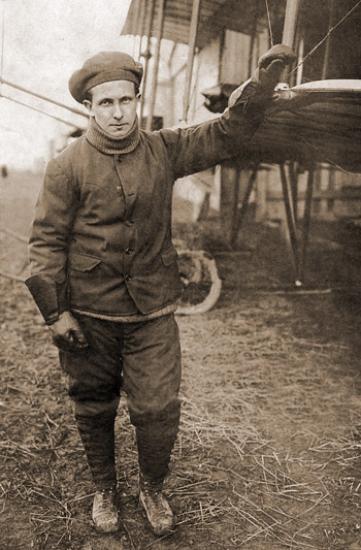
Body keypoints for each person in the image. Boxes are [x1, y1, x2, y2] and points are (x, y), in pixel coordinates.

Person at [25, 45, 296, 536]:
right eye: (105, 103)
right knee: (92, 402)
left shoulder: (162, 149)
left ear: (137, 100)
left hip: (152, 311)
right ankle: (104, 488)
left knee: (157, 407)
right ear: (89, 107)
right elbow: (46, 241)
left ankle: (152, 486)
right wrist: (55, 314)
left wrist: (259, 88)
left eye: (125, 101)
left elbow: (226, 132)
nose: (117, 113)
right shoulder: (67, 166)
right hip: (89, 313)